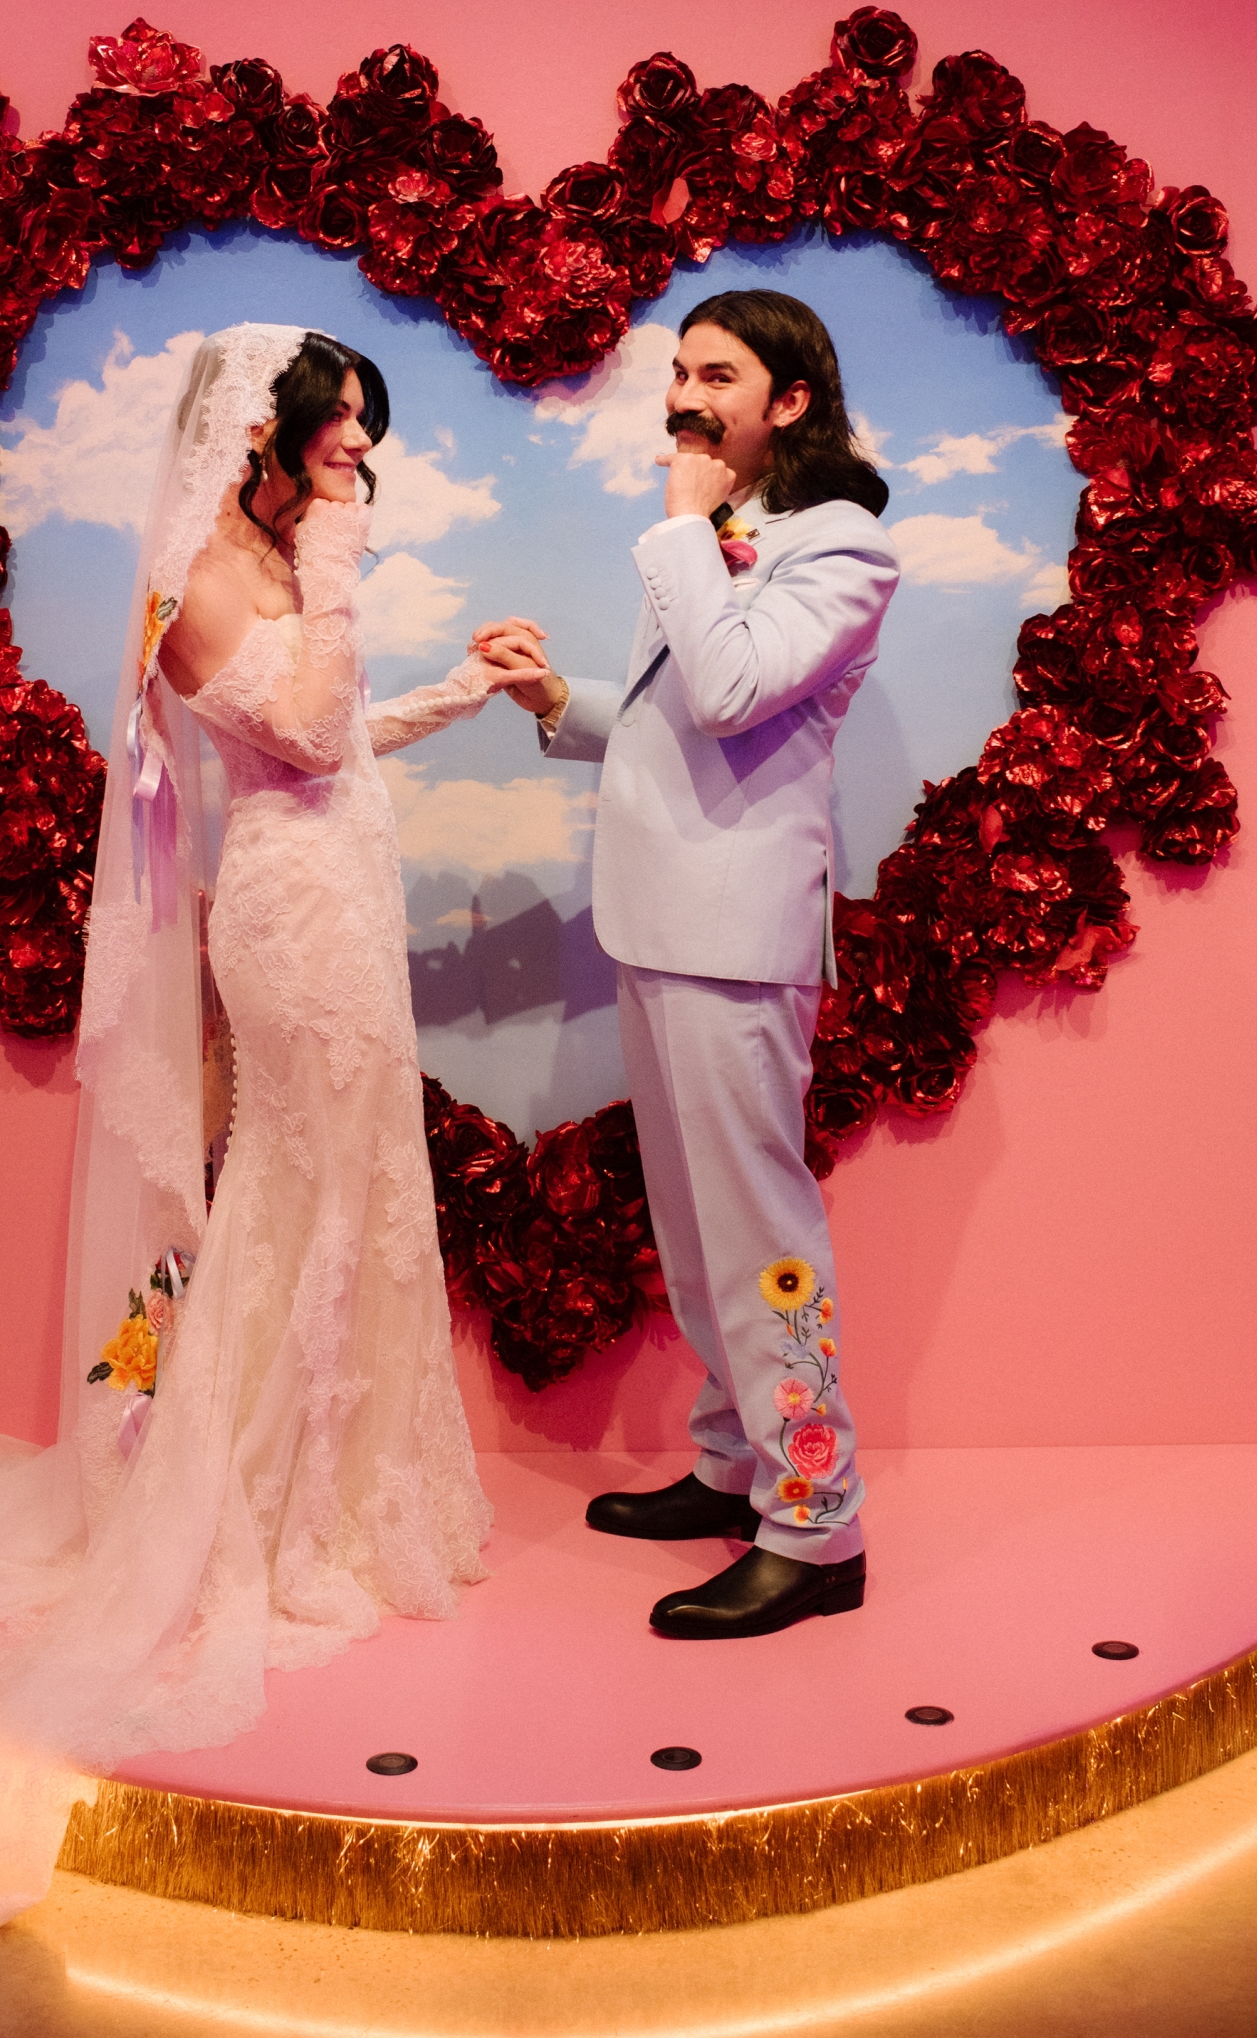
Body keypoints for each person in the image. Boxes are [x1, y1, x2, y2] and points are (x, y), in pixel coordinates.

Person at [0, 321, 550, 2035]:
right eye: (337, 431)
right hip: (291, 927)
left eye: (366, 433)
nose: (356, 455)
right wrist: (349, 568)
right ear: (266, 439)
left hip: (346, 900)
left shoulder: (273, 563)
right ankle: (262, 1519)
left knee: (363, 1194)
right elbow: (292, 737)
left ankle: (342, 1496)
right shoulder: (200, 576)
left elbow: (349, 735)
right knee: (299, 1191)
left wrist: (474, 687)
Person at [476, 290, 897, 1643]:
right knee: (696, 1227)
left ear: (788, 401)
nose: (683, 393)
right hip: (658, 925)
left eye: (715, 372)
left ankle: (815, 1527)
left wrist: (673, 523)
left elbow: (726, 691)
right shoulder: (732, 539)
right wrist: (556, 702)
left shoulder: (841, 550)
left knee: (758, 1233)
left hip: (732, 939)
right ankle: (734, 1465)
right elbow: (677, 722)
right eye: (676, 371)